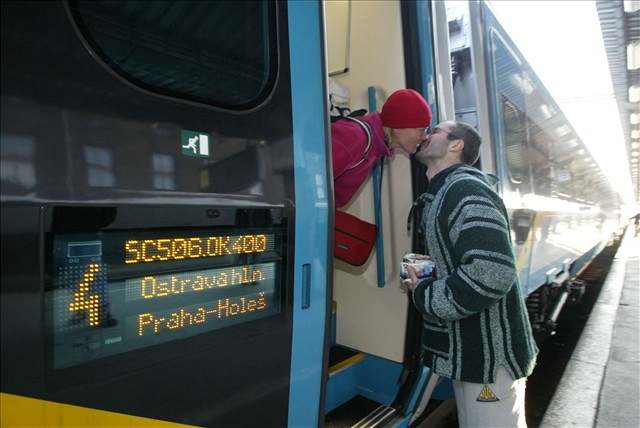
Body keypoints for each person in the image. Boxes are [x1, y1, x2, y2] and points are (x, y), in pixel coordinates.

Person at [404, 120, 538, 427]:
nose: (426, 134)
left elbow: (492, 272)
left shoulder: (465, 190)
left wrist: (426, 294)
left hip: (489, 358)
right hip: (470, 355)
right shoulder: (443, 193)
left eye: (435, 130)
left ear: (456, 144)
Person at [332, 89, 431, 208]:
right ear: (399, 126)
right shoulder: (355, 137)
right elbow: (309, 180)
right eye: (422, 129)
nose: (425, 137)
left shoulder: (374, 146)